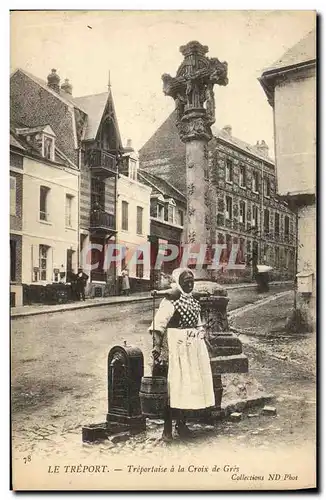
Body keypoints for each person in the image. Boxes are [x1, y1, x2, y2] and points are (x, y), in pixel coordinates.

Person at [149, 267, 215, 441]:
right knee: (173, 387)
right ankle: (167, 429)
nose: (190, 284)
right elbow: (158, 325)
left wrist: (203, 336)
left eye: (192, 282)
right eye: (186, 282)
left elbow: (199, 323)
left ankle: (182, 424)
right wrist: (157, 347)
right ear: (178, 282)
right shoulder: (170, 301)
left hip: (192, 348)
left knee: (189, 386)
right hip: (174, 346)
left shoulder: (194, 301)